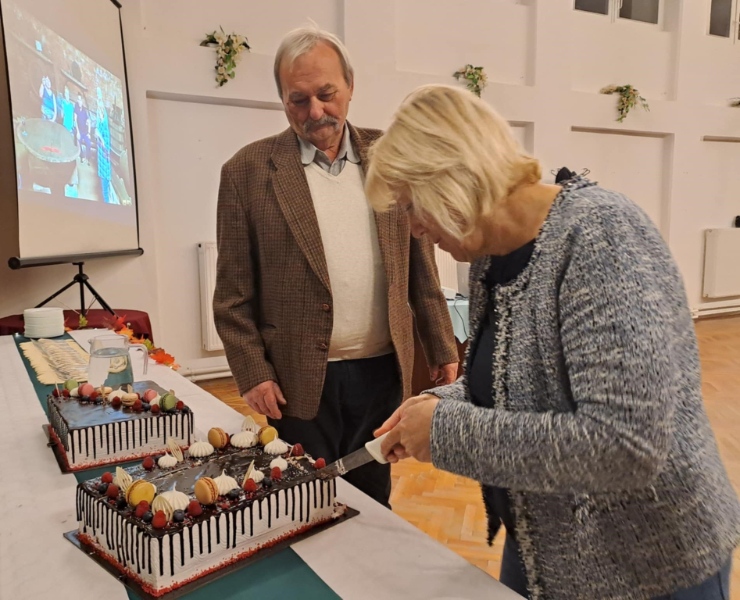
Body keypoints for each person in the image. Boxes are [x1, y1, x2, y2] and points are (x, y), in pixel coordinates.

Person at [368, 84, 740, 599]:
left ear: (453, 179)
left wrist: (447, 430)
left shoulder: (599, 235)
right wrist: (437, 404)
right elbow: (517, 384)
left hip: (648, 565)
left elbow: (627, 445)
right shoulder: (489, 259)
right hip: (548, 546)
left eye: (412, 206)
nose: (413, 229)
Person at [213, 26, 458, 508]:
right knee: (303, 501)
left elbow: (421, 268)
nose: (315, 112)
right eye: (298, 100)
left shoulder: (391, 156)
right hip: (295, 380)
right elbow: (231, 297)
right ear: (282, 99)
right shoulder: (246, 172)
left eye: (326, 95)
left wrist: (441, 344)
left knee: (373, 500)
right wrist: (253, 372)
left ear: (350, 86)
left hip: (382, 373)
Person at [94, 87, 114, 204]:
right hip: (100, 153)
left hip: (105, 152)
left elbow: (104, 141)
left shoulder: (104, 118)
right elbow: (97, 133)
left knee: (106, 180)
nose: (99, 103)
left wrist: (99, 136)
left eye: (100, 100)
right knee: (103, 180)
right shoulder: (98, 116)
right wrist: (96, 134)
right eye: (97, 100)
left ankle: (107, 203)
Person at [74, 92, 91, 164]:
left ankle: (88, 158)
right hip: (79, 131)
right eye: (78, 99)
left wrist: (89, 133)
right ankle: (82, 156)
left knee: (89, 143)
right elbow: (75, 120)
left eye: (80, 100)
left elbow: (89, 122)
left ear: (82, 101)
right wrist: (77, 132)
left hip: (85, 131)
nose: (79, 101)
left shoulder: (84, 110)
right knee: (78, 140)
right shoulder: (76, 108)